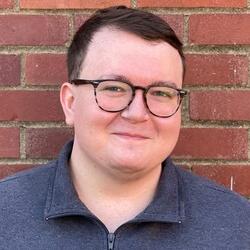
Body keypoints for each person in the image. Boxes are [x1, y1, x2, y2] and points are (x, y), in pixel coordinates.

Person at [0, 6, 249, 250]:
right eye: (114, 88)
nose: (137, 114)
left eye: (161, 93)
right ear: (70, 103)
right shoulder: (5, 213)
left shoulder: (238, 224)